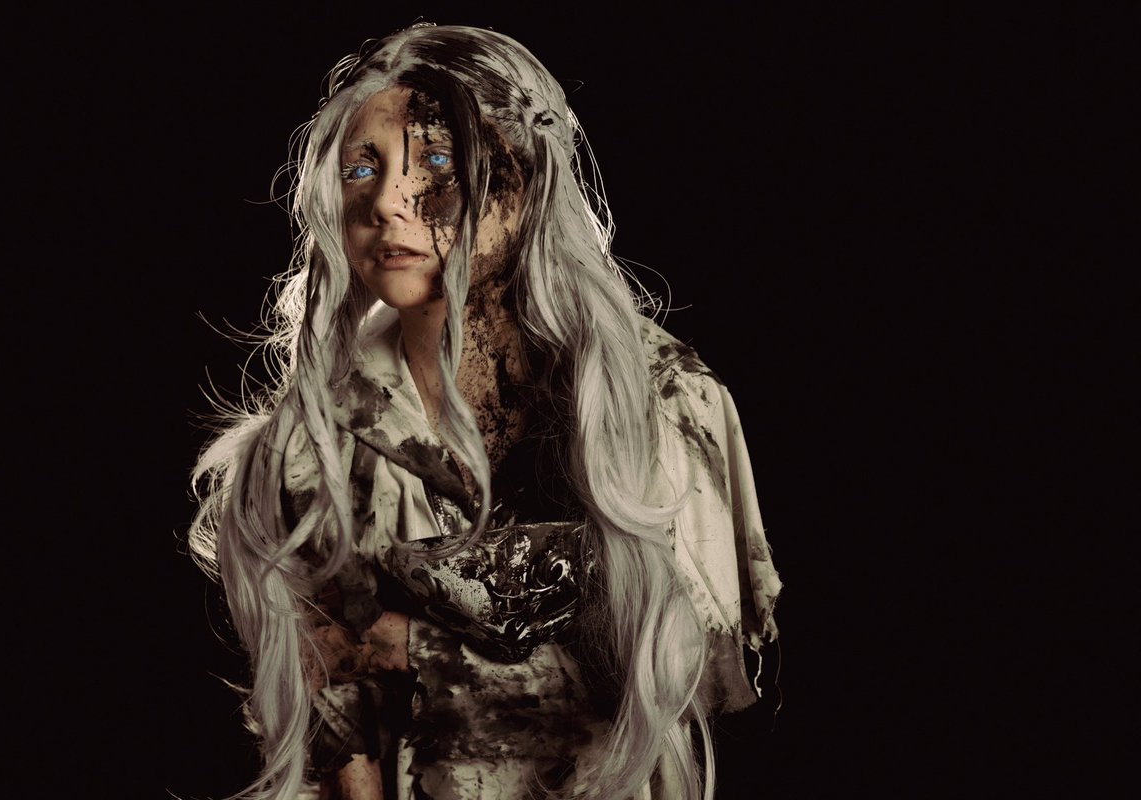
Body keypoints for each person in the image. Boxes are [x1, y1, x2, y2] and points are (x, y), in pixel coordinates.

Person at [188, 21, 781, 800]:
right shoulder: (310, 443)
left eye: (436, 161)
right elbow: (327, 724)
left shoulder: (663, 400)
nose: (387, 201)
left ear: (526, 176)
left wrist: (411, 648)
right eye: (362, 167)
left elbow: (703, 673)